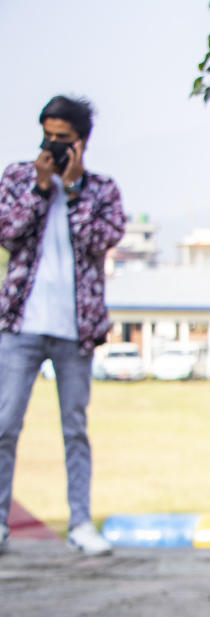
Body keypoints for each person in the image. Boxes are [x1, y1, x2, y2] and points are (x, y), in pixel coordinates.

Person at [0, 96, 125, 556]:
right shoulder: (17, 177)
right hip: (21, 323)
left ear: (81, 142)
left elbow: (102, 239)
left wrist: (71, 192)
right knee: (4, 422)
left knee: (75, 426)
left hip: (77, 327)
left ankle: (79, 524)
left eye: (62, 139)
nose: (52, 145)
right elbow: (7, 232)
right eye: (47, 136)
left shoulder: (100, 189)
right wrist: (39, 187)